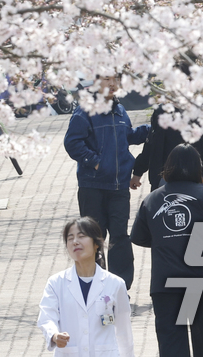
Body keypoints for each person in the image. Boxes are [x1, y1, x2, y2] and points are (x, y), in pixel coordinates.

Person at [131, 144, 203, 357]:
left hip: (164, 285)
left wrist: (164, 240)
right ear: (198, 168)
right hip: (201, 283)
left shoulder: (151, 200)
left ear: (167, 168)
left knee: (171, 345)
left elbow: (138, 236)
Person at [63, 75, 150, 288]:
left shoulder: (119, 110)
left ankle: (120, 287)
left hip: (119, 186)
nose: (113, 84)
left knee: (120, 237)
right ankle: (95, 285)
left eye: (116, 79)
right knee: (94, 239)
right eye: (107, 79)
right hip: (93, 186)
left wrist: (150, 129)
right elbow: (72, 142)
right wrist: (95, 162)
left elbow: (126, 136)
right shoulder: (86, 110)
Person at [37, 217, 134, 357]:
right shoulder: (56, 283)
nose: (75, 241)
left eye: (81, 236)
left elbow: (124, 330)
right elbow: (46, 316)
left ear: (96, 244)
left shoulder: (115, 283)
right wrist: (54, 335)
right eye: (70, 238)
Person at [132, 103, 203, 191]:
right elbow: (151, 146)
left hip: (198, 178)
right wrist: (137, 173)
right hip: (164, 179)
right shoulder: (161, 112)